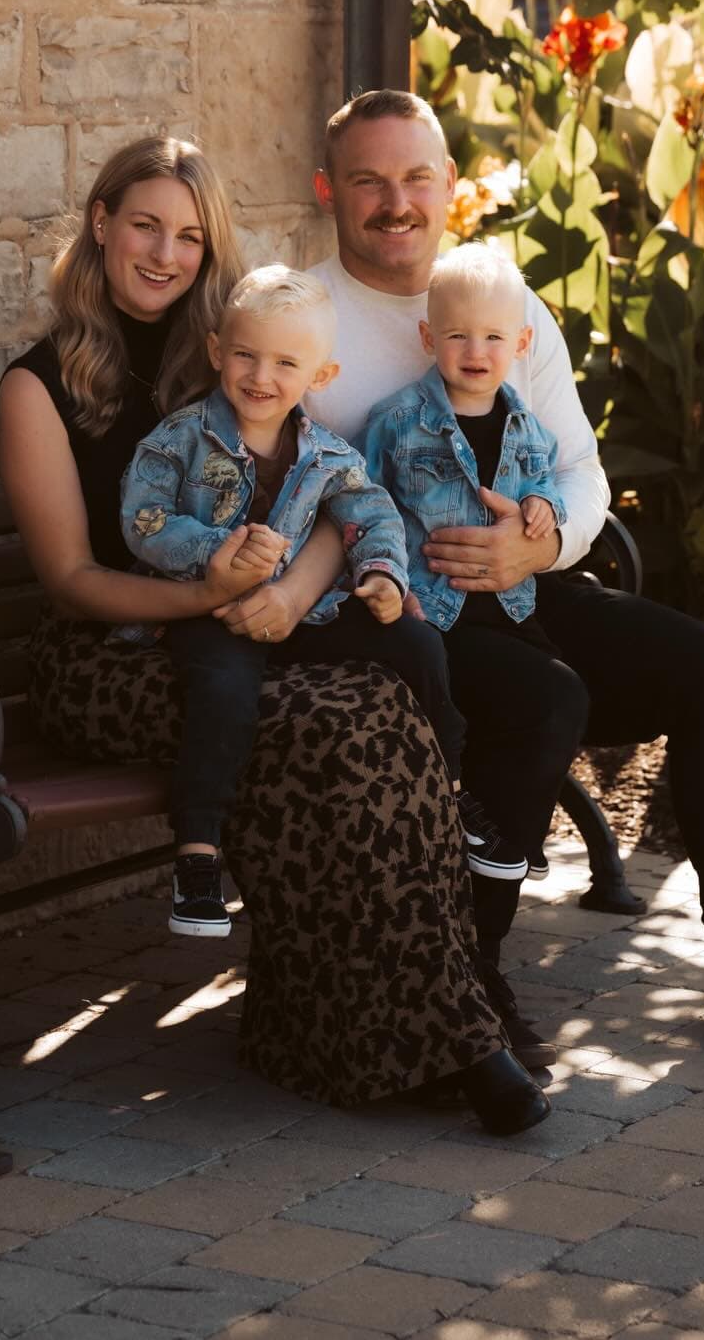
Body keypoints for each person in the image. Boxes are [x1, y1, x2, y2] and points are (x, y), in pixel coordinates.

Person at [308, 89, 704, 1065]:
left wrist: (543, 542)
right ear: (330, 190)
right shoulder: (304, 314)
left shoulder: (504, 302)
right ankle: (467, 983)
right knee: (544, 696)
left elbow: (579, 470)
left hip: (524, 588)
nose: (395, 202)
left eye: (415, 177)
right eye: (368, 180)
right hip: (395, 614)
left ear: (451, 185)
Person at [0, 133, 550, 1134]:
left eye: (191, 237)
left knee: (376, 703)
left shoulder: (245, 344)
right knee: (329, 730)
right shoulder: (38, 386)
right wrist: (219, 595)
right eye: (146, 226)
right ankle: (435, 1032)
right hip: (109, 651)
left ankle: (390, 1023)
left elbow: (335, 494)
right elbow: (73, 580)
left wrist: (293, 594)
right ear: (101, 225)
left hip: (251, 624)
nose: (166, 252)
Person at [120, 264, 503, 941]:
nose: (261, 376)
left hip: (302, 616)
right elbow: (143, 519)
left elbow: (372, 514)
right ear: (217, 351)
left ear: (319, 376)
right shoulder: (180, 440)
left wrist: (384, 575)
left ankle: (452, 783)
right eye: (245, 354)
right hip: (207, 611)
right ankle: (199, 851)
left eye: (285, 362)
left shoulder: (326, 455)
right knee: (224, 684)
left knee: (415, 642)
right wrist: (213, 550)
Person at [363, 242, 569, 882]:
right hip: (436, 610)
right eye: (457, 335)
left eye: (493, 337)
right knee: (536, 699)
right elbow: (366, 505)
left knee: (552, 698)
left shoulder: (527, 426)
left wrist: (543, 507)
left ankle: (509, 837)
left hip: (509, 603)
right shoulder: (398, 422)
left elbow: (550, 481)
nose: (475, 353)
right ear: (428, 336)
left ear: (522, 341)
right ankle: (493, 839)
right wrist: (391, 583)